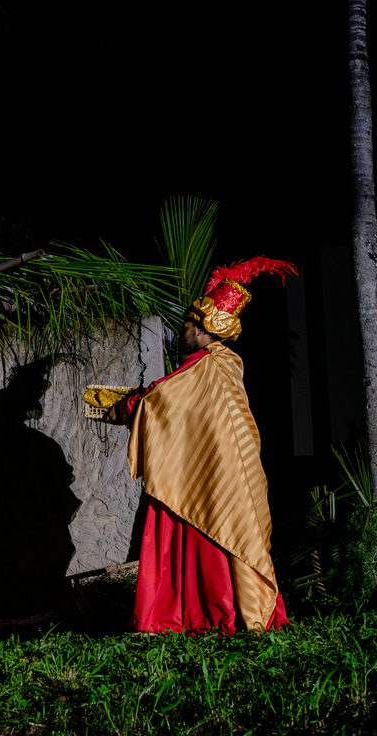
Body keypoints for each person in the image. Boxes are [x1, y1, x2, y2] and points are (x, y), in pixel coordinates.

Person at [109, 257, 296, 635]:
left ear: (204, 328)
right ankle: (227, 611)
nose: (183, 331)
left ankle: (201, 614)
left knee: (199, 527)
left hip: (219, 468)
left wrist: (122, 406)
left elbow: (160, 400)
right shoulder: (227, 363)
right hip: (231, 468)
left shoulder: (204, 365)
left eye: (188, 325)